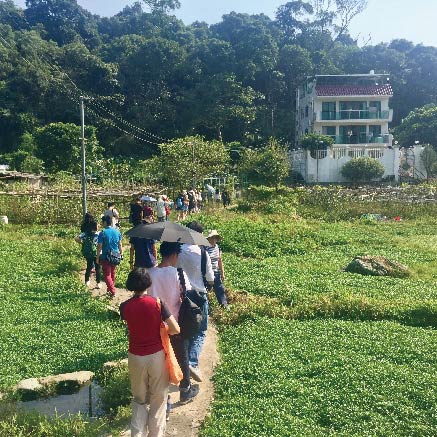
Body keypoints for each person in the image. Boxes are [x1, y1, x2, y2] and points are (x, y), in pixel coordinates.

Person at [120, 268, 180, 437]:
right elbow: (175, 329)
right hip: (156, 356)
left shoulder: (124, 307)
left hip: (135, 357)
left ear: (130, 284)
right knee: (158, 399)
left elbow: (132, 326)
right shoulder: (158, 303)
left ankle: (137, 434)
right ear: (148, 283)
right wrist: (162, 330)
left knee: (139, 400)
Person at [148, 242, 199, 404]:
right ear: (175, 254)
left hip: (157, 324)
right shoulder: (178, 273)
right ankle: (185, 391)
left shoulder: (150, 274)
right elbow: (186, 293)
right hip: (176, 322)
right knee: (181, 356)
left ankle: (163, 397)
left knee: (161, 359)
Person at [177, 221, 214, 383]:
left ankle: (183, 363)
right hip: (199, 295)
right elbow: (210, 278)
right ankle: (192, 362)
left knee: (185, 330)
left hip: (182, 296)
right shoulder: (202, 252)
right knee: (201, 330)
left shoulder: (178, 250)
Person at [96, 215, 123, 297]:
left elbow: (99, 246)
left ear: (104, 222)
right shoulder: (117, 231)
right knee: (112, 273)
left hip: (106, 256)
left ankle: (112, 291)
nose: (101, 224)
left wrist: (97, 257)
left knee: (107, 274)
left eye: (102, 222)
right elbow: (120, 244)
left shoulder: (102, 233)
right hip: (115, 255)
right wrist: (121, 254)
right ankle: (110, 289)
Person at [75, 213, 101, 289]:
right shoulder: (98, 233)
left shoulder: (85, 233)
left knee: (89, 266)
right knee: (98, 268)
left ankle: (87, 281)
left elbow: (76, 238)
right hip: (97, 253)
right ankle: (98, 283)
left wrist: (83, 243)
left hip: (88, 252)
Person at [206, 230, 229, 308]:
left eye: (215, 238)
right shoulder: (204, 247)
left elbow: (219, 260)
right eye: (212, 238)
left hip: (215, 272)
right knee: (205, 290)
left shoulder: (217, 247)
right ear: (208, 238)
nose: (213, 240)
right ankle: (205, 307)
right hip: (206, 272)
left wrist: (222, 272)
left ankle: (224, 305)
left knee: (219, 289)